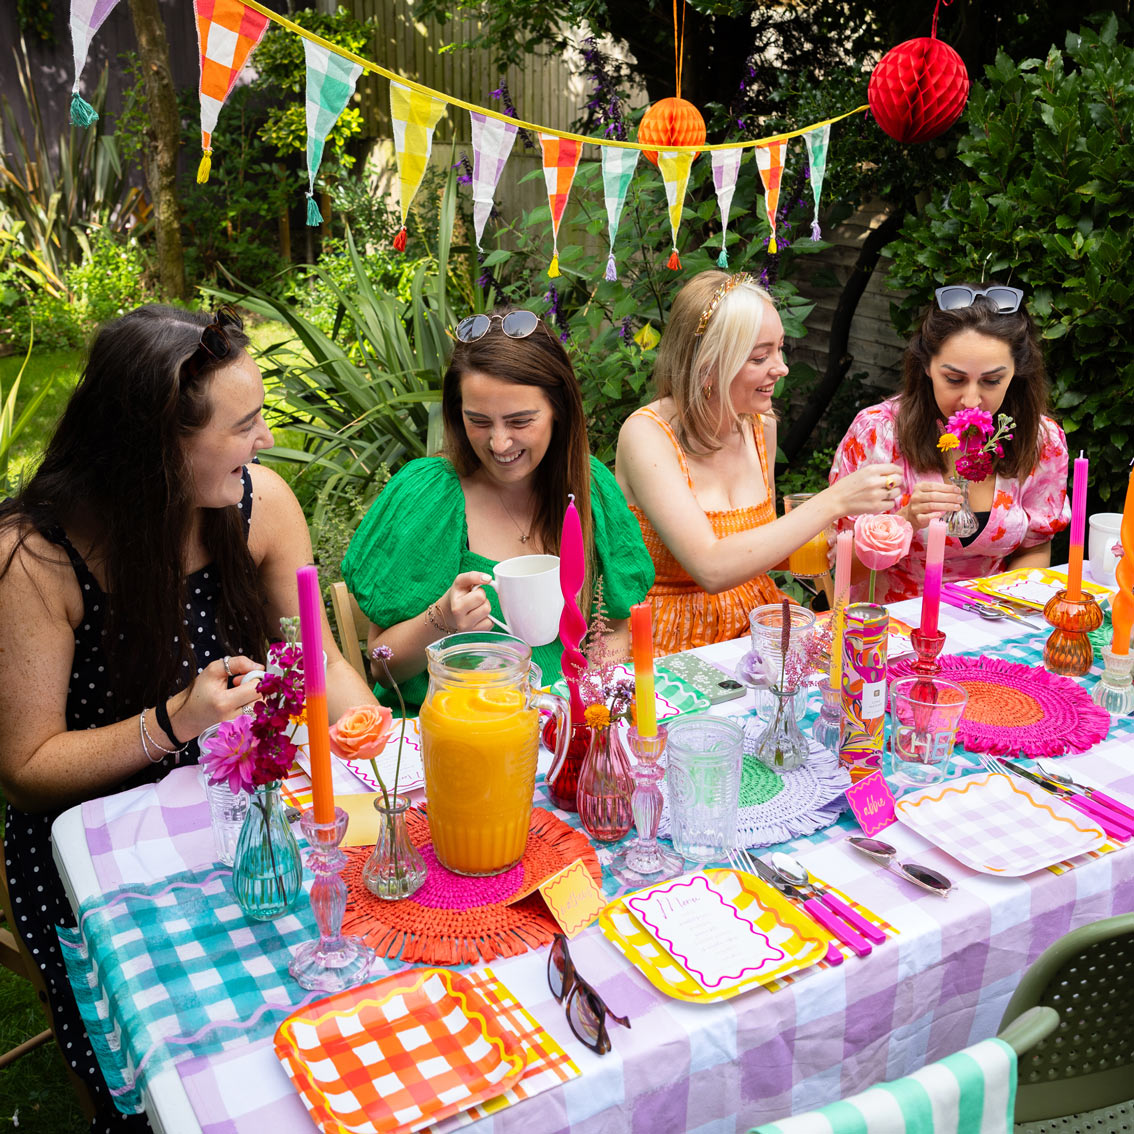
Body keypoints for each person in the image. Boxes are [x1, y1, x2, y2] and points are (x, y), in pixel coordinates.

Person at [0, 304, 376, 1130]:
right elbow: (26, 773)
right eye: (244, 426)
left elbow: (321, 661)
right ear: (158, 450)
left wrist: (380, 743)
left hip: (249, 812)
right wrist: (175, 720)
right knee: (181, 1070)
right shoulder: (38, 558)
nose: (266, 440)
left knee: (351, 972)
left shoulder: (259, 505)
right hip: (90, 854)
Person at [342, 309, 654, 710]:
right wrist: (442, 618)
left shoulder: (588, 488)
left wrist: (585, 692)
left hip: (565, 720)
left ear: (559, 409)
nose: (500, 443)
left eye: (520, 420)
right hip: (454, 725)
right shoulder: (428, 496)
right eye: (479, 421)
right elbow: (383, 670)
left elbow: (615, 627)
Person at [615, 270, 901, 653]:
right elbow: (711, 568)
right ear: (708, 366)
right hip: (675, 641)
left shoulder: (759, 427)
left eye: (780, 349)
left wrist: (810, 543)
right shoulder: (647, 435)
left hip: (759, 627)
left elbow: (752, 552)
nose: (781, 368)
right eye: (760, 357)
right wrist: (832, 502)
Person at [829, 283, 1070, 603]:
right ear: (927, 366)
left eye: (992, 381)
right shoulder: (879, 434)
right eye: (954, 379)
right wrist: (905, 521)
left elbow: (1035, 546)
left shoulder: (1040, 440)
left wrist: (1005, 608)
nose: (971, 400)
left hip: (991, 622)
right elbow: (840, 570)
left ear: (1016, 372)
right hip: (889, 629)